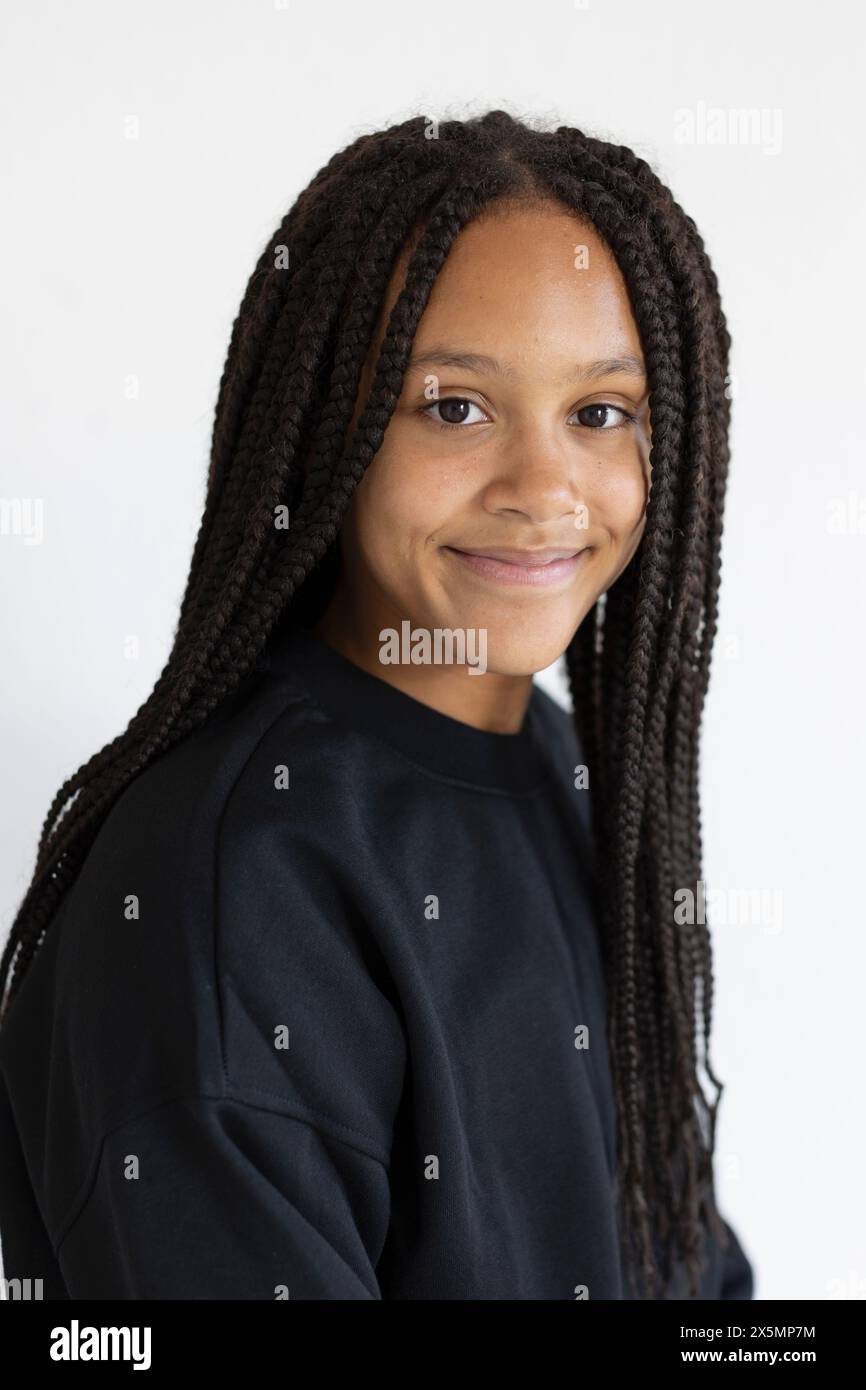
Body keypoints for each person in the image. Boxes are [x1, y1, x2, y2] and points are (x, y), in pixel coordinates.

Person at [0, 109, 754, 1300]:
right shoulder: (229, 890)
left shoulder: (557, 765)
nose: (541, 489)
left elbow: (684, 1270)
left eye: (599, 412)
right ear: (325, 435)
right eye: (453, 406)